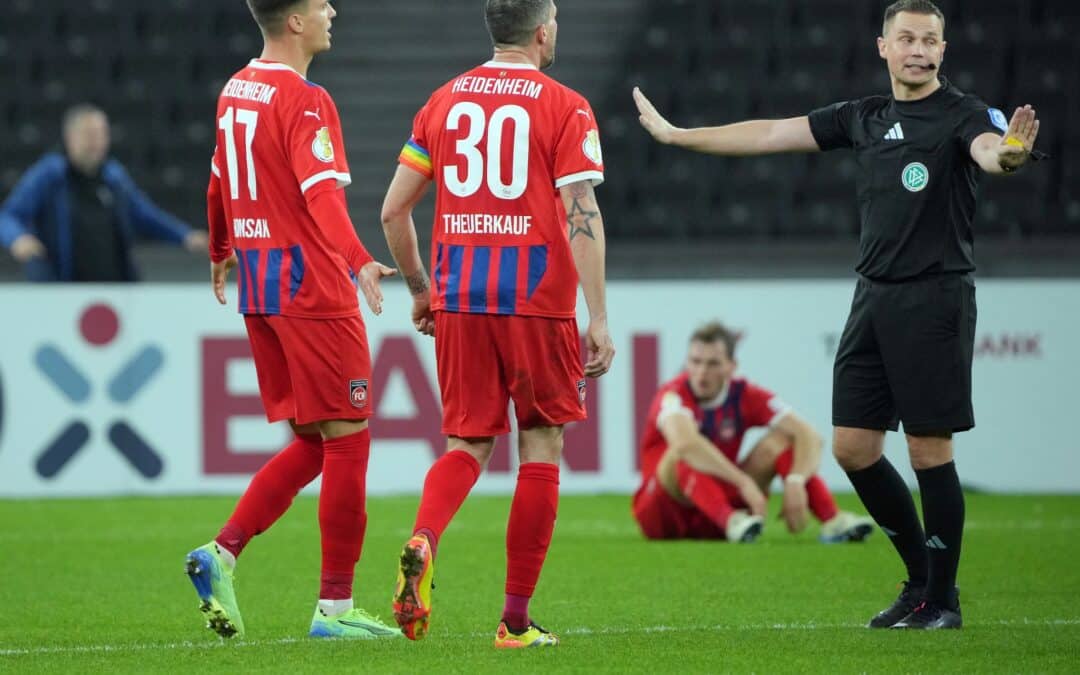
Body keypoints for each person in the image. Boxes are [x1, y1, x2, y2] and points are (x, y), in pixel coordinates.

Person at [633, 0, 1041, 630]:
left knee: (929, 451)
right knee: (853, 448)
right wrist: (680, 136)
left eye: (930, 40)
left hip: (934, 296)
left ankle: (944, 600)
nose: (918, 49)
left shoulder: (964, 113)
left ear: (942, 50)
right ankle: (920, 584)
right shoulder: (865, 116)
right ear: (883, 47)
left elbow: (994, 151)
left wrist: (1010, 153)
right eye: (905, 38)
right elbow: (772, 133)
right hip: (871, 296)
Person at [379, 0, 615, 648]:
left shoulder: (443, 102)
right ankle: (514, 621)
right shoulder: (566, 105)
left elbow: (394, 212)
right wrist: (597, 315)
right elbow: (580, 211)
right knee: (540, 445)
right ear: (542, 32)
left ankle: (424, 538)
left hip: (461, 299)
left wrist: (424, 291)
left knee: (465, 446)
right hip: (535, 301)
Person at [184, 0, 399, 641]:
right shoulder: (306, 100)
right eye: (320, 4)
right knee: (349, 439)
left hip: (263, 289)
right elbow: (321, 194)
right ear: (295, 21)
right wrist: (359, 259)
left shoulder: (236, 89)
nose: (333, 10)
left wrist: (222, 247)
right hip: (312, 291)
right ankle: (334, 610)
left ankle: (220, 554)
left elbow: (218, 181)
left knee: (313, 441)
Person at [634, 321, 875, 544]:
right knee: (681, 455)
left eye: (713, 363)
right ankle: (732, 520)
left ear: (731, 366)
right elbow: (686, 445)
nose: (701, 372)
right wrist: (743, 482)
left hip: (719, 509)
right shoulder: (672, 394)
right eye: (695, 362)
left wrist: (795, 481)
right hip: (663, 515)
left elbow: (809, 435)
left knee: (780, 442)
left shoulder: (746, 395)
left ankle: (832, 520)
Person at [0, 104, 207, 281]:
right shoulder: (49, 175)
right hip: (61, 292)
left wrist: (184, 236)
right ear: (70, 137)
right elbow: (7, 216)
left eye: (102, 134)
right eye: (89, 134)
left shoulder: (114, 178)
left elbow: (146, 216)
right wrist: (18, 238)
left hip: (113, 288)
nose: (96, 142)